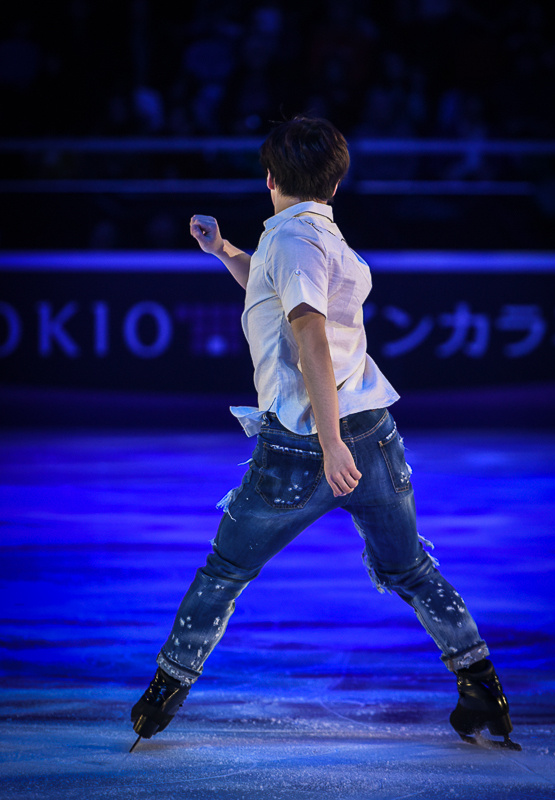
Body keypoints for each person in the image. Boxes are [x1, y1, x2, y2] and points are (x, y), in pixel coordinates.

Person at [130, 116, 520, 752]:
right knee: (411, 568)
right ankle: (483, 688)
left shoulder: (292, 242)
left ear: (270, 178)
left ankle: (164, 693)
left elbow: (310, 332)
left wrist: (329, 441)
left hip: (309, 445)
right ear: (336, 184)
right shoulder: (318, 242)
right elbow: (283, 294)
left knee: (226, 570)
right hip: (375, 432)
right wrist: (229, 254)